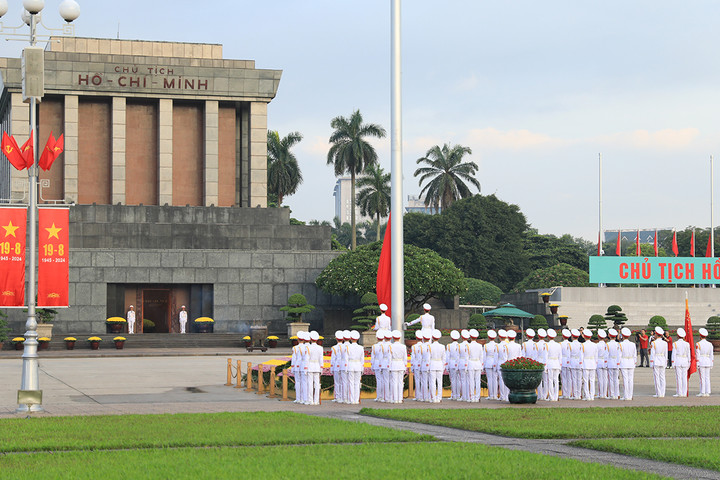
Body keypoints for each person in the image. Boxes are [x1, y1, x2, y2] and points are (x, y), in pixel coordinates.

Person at [389, 330, 407, 404]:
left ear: (393, 337)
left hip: (393, 364)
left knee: (394, 382)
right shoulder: (403, 346)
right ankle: (400, 398)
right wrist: (405, 366)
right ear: (399, 337)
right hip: (401, 364)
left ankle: (395, 399)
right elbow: (405, 358)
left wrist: (389, 367)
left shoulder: (391, 346)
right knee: (400, 382)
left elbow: (389, 358)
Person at [346, 330, 364, 404]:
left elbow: (346, 359)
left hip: (350, 365)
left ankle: (351, 399)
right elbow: (362, 359)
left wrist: (346, 368)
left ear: (350, 338)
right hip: (358, 365)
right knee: (357, 383)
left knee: (351, 383)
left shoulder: (348, 347)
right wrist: (362, 368)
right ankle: (356, 400)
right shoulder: (361, 347)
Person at [619, 328, 637, 401]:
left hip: (624, 362)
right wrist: (634, 363)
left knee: (625, 380)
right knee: (630, 379)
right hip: (631, 362)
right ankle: (630, 395)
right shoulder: (633, 344)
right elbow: (635, 355)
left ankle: (626, 395)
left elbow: (619, 355)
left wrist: (619, 364)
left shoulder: (621, 344)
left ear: (622, 335)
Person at [672, 328, 690, 397]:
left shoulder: (675, 343)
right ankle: (684, 393)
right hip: (685, 361)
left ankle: (679, 393)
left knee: (679, 377)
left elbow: (674, 354)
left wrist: (673, 363)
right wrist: (689, 362)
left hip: (678, 360)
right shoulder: (687, 344)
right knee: (684, 378)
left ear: (677, 335)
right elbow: (688, 354)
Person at [429, 329, 446, 403]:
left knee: (432, 382)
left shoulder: (430, 346)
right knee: (439, 382)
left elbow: (428, 358)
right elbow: (444, 358)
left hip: (432, 364)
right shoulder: (442, 346)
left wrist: (428, 366)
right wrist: (443, 367)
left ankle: (433, 397)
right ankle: (439, 397)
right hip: (439, 364)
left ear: (432, 337)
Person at [467, 329, 484, 403]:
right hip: (478, 363)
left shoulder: (468, 346)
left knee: (471, 381)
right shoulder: (480, 346)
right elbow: (481, 357)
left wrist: (466, 367)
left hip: (471, 363)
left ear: (470, 337)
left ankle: (472, 397)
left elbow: (466, 357)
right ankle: (477, 397)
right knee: (477, 381)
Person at [650, 326, 668, 398]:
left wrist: (651, 362)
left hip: (656, 360)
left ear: (656, 334)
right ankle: (662, 393)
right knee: (662, 377)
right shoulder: (665, 343)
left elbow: (652, 354)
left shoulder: (654, 343)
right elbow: (666, 353)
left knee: (657, 377)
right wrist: (666, 361)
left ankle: (658, 393)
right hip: (663, 360)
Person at [545, 329, 562, 401]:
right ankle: (556, 396)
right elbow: (560, 356)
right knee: (556, 381)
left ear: (548, 336)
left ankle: (551, 397)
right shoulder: (558, 345)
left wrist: (545, 367)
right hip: (557, 363)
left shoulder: (546, 345)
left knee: (550, 380)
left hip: (550, 363)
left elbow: (545, 356)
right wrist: (560, 366)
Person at [306, 331, 323, 405]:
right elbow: (321, 359)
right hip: (317, 366)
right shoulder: (320, 348)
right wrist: (321, 368)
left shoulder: (308, 348)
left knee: (310, 384)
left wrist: (305, 368)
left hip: (310, 366)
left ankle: (310, 400)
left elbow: (307, 359)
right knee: (317, 384)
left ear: (310, 339)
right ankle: (316, 400)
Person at [581, 329, 598, 401]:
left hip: (585, 363)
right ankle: (592, 396)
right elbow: (596, 356)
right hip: (592, 363)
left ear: (584, 336)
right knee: (592, 380)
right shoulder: (594, 345)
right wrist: (595, 364)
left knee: (585, 380)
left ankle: (587, 396)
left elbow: (581, 356)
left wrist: (581, 365)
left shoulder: (582, 345)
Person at [697, 328, 714, 397]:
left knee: (702, 378)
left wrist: (697, 363)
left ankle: (702, 392)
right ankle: (707, 392)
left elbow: (697, 354)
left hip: (701, 361)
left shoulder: (698, 344)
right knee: (707, 377)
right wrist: (711, 363)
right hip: (708, 361)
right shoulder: (710, 344)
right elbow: (711, 354)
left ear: (700, 336)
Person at [484, 330, 499, 400]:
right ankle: (495, 395)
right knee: (495, 379)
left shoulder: (486, 345)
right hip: (495, 362)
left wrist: (483, 365)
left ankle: (491, 395)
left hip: (488, 362)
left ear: (488, 337)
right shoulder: (497, 345)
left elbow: (484, 356)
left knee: (489, 380)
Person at [332, 331, 346, 403]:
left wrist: (332, 367)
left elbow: (333, 359)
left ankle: (338, 397)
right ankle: (344, 397)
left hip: (337, 365)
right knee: (344, 382)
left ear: (336, 339)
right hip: (344, 365)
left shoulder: (334, 348)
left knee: (337, 382)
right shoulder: (346, 347)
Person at [446, 330, 461, 400]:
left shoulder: (449, 346)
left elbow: (447, 357)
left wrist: (447, 366)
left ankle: (454, 395)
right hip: (458, 363)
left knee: (453, 380)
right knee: (458, 380)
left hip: (451, 363)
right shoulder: (460, 345)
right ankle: (458, 395)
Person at [607, 328, 621, 400]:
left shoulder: (608, 344)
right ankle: (617, 393)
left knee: (611, 379)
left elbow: (606, 355)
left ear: (609, 336)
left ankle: (612, 394)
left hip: (610, 362)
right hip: (616, 362)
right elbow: (620, 354)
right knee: (616, 379)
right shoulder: (618, 344)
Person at [569, 329, 583, 400]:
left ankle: (575, 394)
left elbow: (569, 355)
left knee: (574, 379)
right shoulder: (581, 344)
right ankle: (579, 394)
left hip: (572, 362)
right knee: (579, 379)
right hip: (579, 362)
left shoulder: (570, 345)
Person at [458, 329, 471, 401]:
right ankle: (468, 396)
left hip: (461, 362)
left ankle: (464, 396)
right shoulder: (469, 345)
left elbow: (457, 356)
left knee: (462, 380)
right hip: (468, 363)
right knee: (468, 380)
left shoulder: (459, 345)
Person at [536, 329, 549, 400]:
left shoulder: (536, 345)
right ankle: (545, 395)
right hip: (545, 362)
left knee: (539, 381)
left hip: (538, 362)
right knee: (546, 380)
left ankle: (540, 395)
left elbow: (535, 355)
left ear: (538, 336)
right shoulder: (546, 344)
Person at [596, 329, 609, 399]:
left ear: (598, 336)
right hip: (605, 362)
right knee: (605, 378)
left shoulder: (597, 345)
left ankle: (600, 393)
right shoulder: (606, 345)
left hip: (599, 361)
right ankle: (604, 393)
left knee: (600, 379)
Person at [560, 329, 572, 399]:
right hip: (570, 361)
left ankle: (565, 393)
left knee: (563, 378)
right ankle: (569, 393)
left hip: (563, 361)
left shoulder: (561, 344)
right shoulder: (570, 344)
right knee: (569, 378)